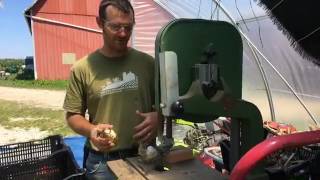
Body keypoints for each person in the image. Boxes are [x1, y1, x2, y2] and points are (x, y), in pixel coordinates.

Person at [63, 0, 158, 179]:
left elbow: (168, 104)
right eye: (115, 27)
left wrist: (159, 116)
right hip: (102, 164)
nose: (123, 34)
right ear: (100, 23)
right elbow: (72, 115)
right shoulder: (82, 68)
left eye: (128, 27)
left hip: (144, 156)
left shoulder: (148, 64)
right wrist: (91, 131)